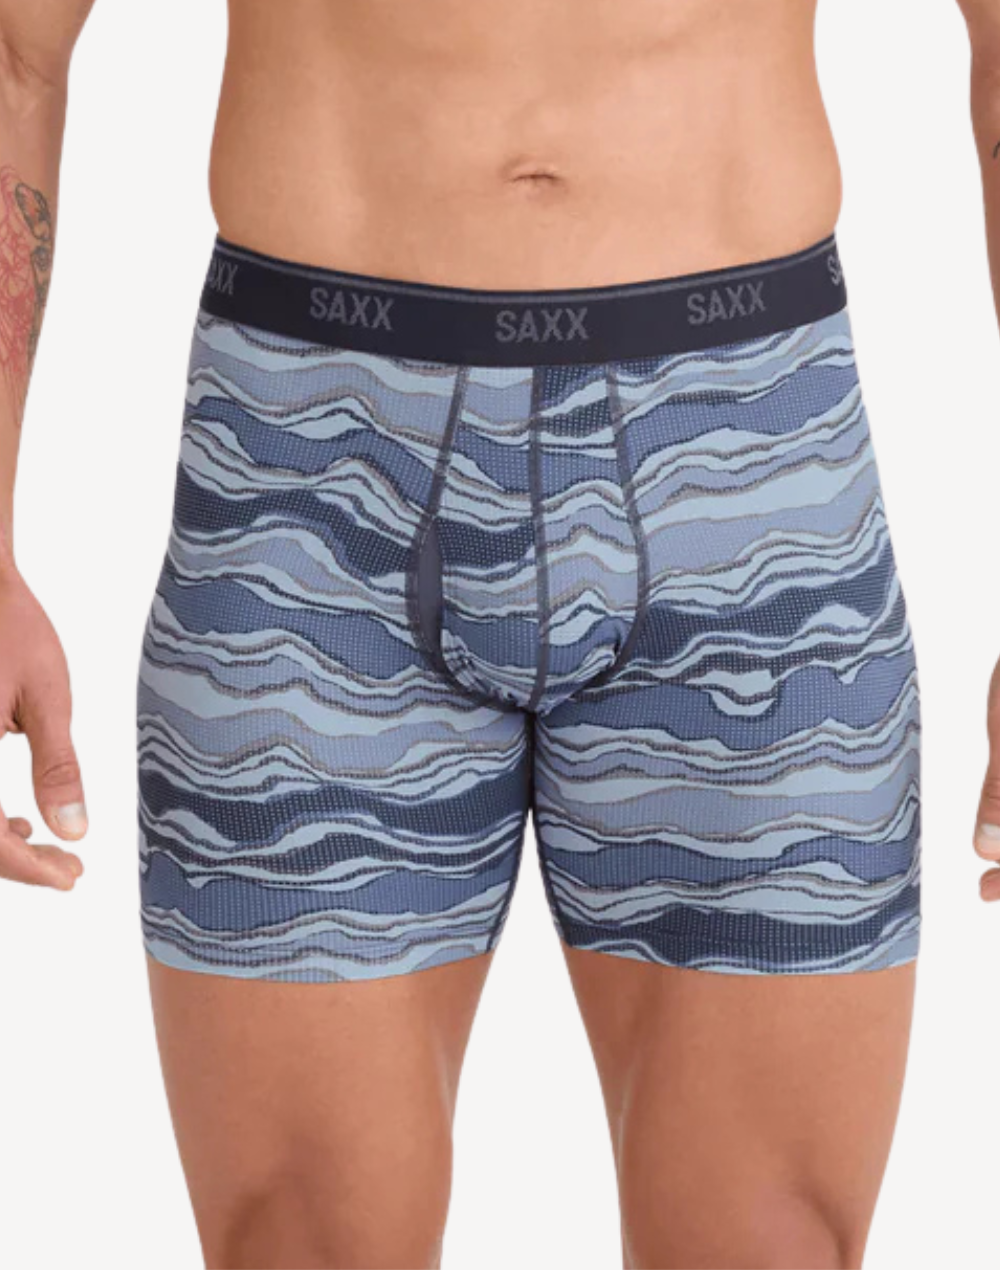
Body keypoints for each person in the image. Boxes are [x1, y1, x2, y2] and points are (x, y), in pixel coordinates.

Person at [1, 3, 994, 1268]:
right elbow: (15, 49)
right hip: (311, 480)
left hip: (748, 475)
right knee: (302, 1244)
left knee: (768, 1244)